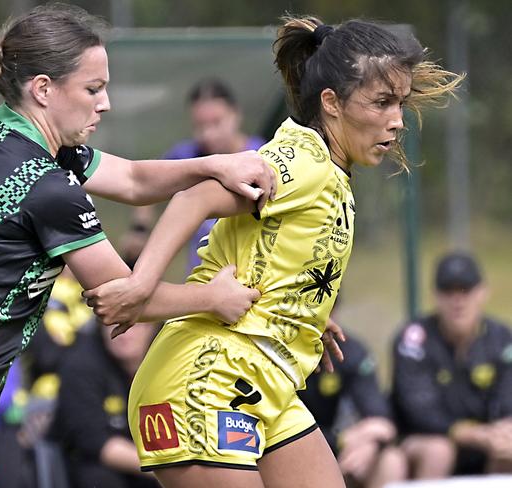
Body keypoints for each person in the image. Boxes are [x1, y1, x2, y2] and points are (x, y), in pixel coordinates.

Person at [0, 4, 276, 488]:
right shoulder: (47, 185)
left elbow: (134, 178)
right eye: (93, 89)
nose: (106, 104)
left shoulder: (7, 134)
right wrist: (213, 298)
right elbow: (123, 297)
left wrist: (215, 164)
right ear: (43, 88)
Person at [85, 15, 462, 488]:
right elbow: (195, 196)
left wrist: (301, 312)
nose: (397, 119)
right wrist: (141, 285)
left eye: (400, 103)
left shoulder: (328, 169)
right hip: (207, 380)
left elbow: (273, 247)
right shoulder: (304, 161)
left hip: (263, 384)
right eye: (382, 102)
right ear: (331, 103)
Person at [392, 251, 512, 479]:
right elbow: (419, 412)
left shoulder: (502, 338)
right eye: (448, 291)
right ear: (435, 295)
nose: (458, 301)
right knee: (439, 451)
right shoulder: (414, 339)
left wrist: (503, 431)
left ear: (483, 292)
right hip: (425, 441)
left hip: (487, 442)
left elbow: (508, 399)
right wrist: (471, 433)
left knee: (508, 446)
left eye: (465, 290)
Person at [162, 78, 267, 272]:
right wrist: (139, 229)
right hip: (200, 280)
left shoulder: (263, 157)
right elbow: (147, 179)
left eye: (216, 123)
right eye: (200, 126)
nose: (208, 134)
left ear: (236, 114)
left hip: (251, 278)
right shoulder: (186, 157)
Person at [50, 319, 161, 488]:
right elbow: (94, 442)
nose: (125, 334)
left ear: (152, 327)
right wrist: (163, 467)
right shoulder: (80, 364)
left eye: (135, 325)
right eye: (114, 325)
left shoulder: (168, 363)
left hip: (153, 462)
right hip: (93, 466)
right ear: (101, 325)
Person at [299, 328, 406, 488]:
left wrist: (370, 443)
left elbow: (380, 420)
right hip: (294, 444)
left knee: (392, 460)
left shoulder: (350, 349)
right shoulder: (276, 349)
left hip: (346, 447)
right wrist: (340, 440)